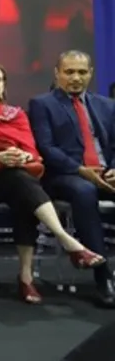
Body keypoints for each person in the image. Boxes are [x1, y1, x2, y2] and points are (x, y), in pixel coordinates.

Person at [0, 62, 103, 305]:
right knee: (22, 184)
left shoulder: (16, 116)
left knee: (23, 191)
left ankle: (26, 276)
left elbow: (33, 152)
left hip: (15, 178)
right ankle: (65, 242)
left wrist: (22, 156)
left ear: (4, 86)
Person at [28, 50, 115, 307]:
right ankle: (103, 276)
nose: (76, 77)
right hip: (64, 176)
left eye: (81, 72)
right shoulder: (42, 104)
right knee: (84, 191)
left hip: (105, 173)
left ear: (91, 74)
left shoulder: (107, 105)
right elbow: (46, 148)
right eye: (69, 72)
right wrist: (81, 170)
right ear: (57, 74)